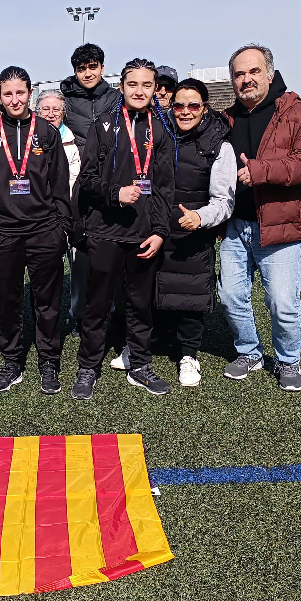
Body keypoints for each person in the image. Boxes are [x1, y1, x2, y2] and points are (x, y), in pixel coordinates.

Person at [218, 44, 301, 391]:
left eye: (253, 71)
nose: (246, 79)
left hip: (281, 229)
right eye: (239, 74)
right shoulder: (226, 119)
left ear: (270, 73)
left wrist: (261, 171)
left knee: (282, 302)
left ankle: (288, 360)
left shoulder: (299, 114)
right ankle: (249, 351)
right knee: (230, 296)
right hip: (236, 227)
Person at [71, 58, 175, 400]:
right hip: (105, 232)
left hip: (144, 234)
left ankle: (140, 365)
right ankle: (88, 367)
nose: (140, 91)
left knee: (141, 304)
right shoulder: (103, 127)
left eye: (147, 85)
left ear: (154, 89)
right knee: (97, 305)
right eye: (133, 85)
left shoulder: (160, 129)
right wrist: (114, 194)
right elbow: (86, 181)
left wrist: (160, 230)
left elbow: (163, 188)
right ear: (122, 87)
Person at [0, 67, 72, 395]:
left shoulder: (46, 132)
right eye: (7, 94)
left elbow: (60, 184)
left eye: (20, 93)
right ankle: (13, 361)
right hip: (2, 232)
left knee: (47, 301)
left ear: (29, 92)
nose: (14, 100)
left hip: (45, 230)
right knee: (8, 301)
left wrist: (61, 228)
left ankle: (49, 361)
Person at [154, 79, 235, 387]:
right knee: (154, 290)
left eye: (193, 105)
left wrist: (200, 218)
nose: (185, 112)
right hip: (160, 231)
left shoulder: (219, 144)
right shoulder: (159, 136)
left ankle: (189, 356)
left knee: (189, 293)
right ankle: (147, 344)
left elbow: (224, 200)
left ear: (205, 107)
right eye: (179, 105)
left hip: (193, 235)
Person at [59, 44, 120, 336]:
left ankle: (110, 313)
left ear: (102, 68)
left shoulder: (116, 98)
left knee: (111, 254)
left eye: (92, 67)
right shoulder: (66, 100)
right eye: (82, 69)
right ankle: (80, 314)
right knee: (79, 256)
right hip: (76, 186)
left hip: (111, 184)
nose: (87, 73)